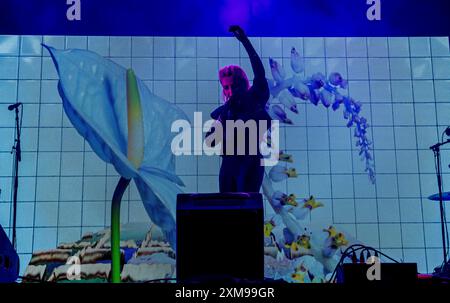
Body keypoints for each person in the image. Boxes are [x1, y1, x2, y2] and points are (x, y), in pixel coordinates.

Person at [206, 25, 271, 193]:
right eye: (226, 87)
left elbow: (260, 74)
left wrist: (245, 42)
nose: (230, 90)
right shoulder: (224, 111)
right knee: (228, 210)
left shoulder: (254, 98)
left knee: (247, 209)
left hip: (251, 162)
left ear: (243, 82)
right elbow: (210, 141)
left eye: (233, 85)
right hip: (229, 164)